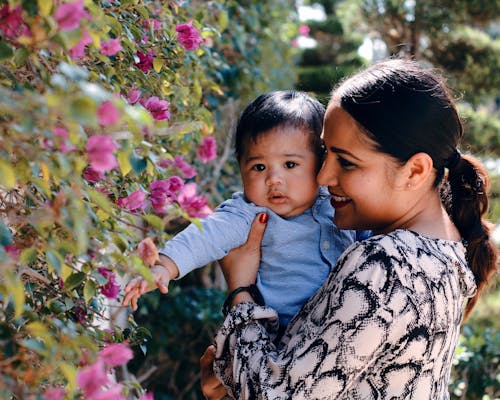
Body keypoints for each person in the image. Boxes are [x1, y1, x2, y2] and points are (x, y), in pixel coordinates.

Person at [201, 59, 498, 399]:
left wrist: (241, 290)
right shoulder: (444, 250)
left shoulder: (386, 265)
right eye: (325, 154)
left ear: (415, 171)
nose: (323, 177)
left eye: (346, 161)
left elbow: (276, 394)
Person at [122, 90, 368, 330]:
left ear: (321, 163)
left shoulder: (338, 203)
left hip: (341, 327)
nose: (274, 179)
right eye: (259, 167)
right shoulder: (247, 214)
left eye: (290, 164)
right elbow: (205, 236)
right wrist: (164, 266)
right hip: (277, 333)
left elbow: (373, 236)